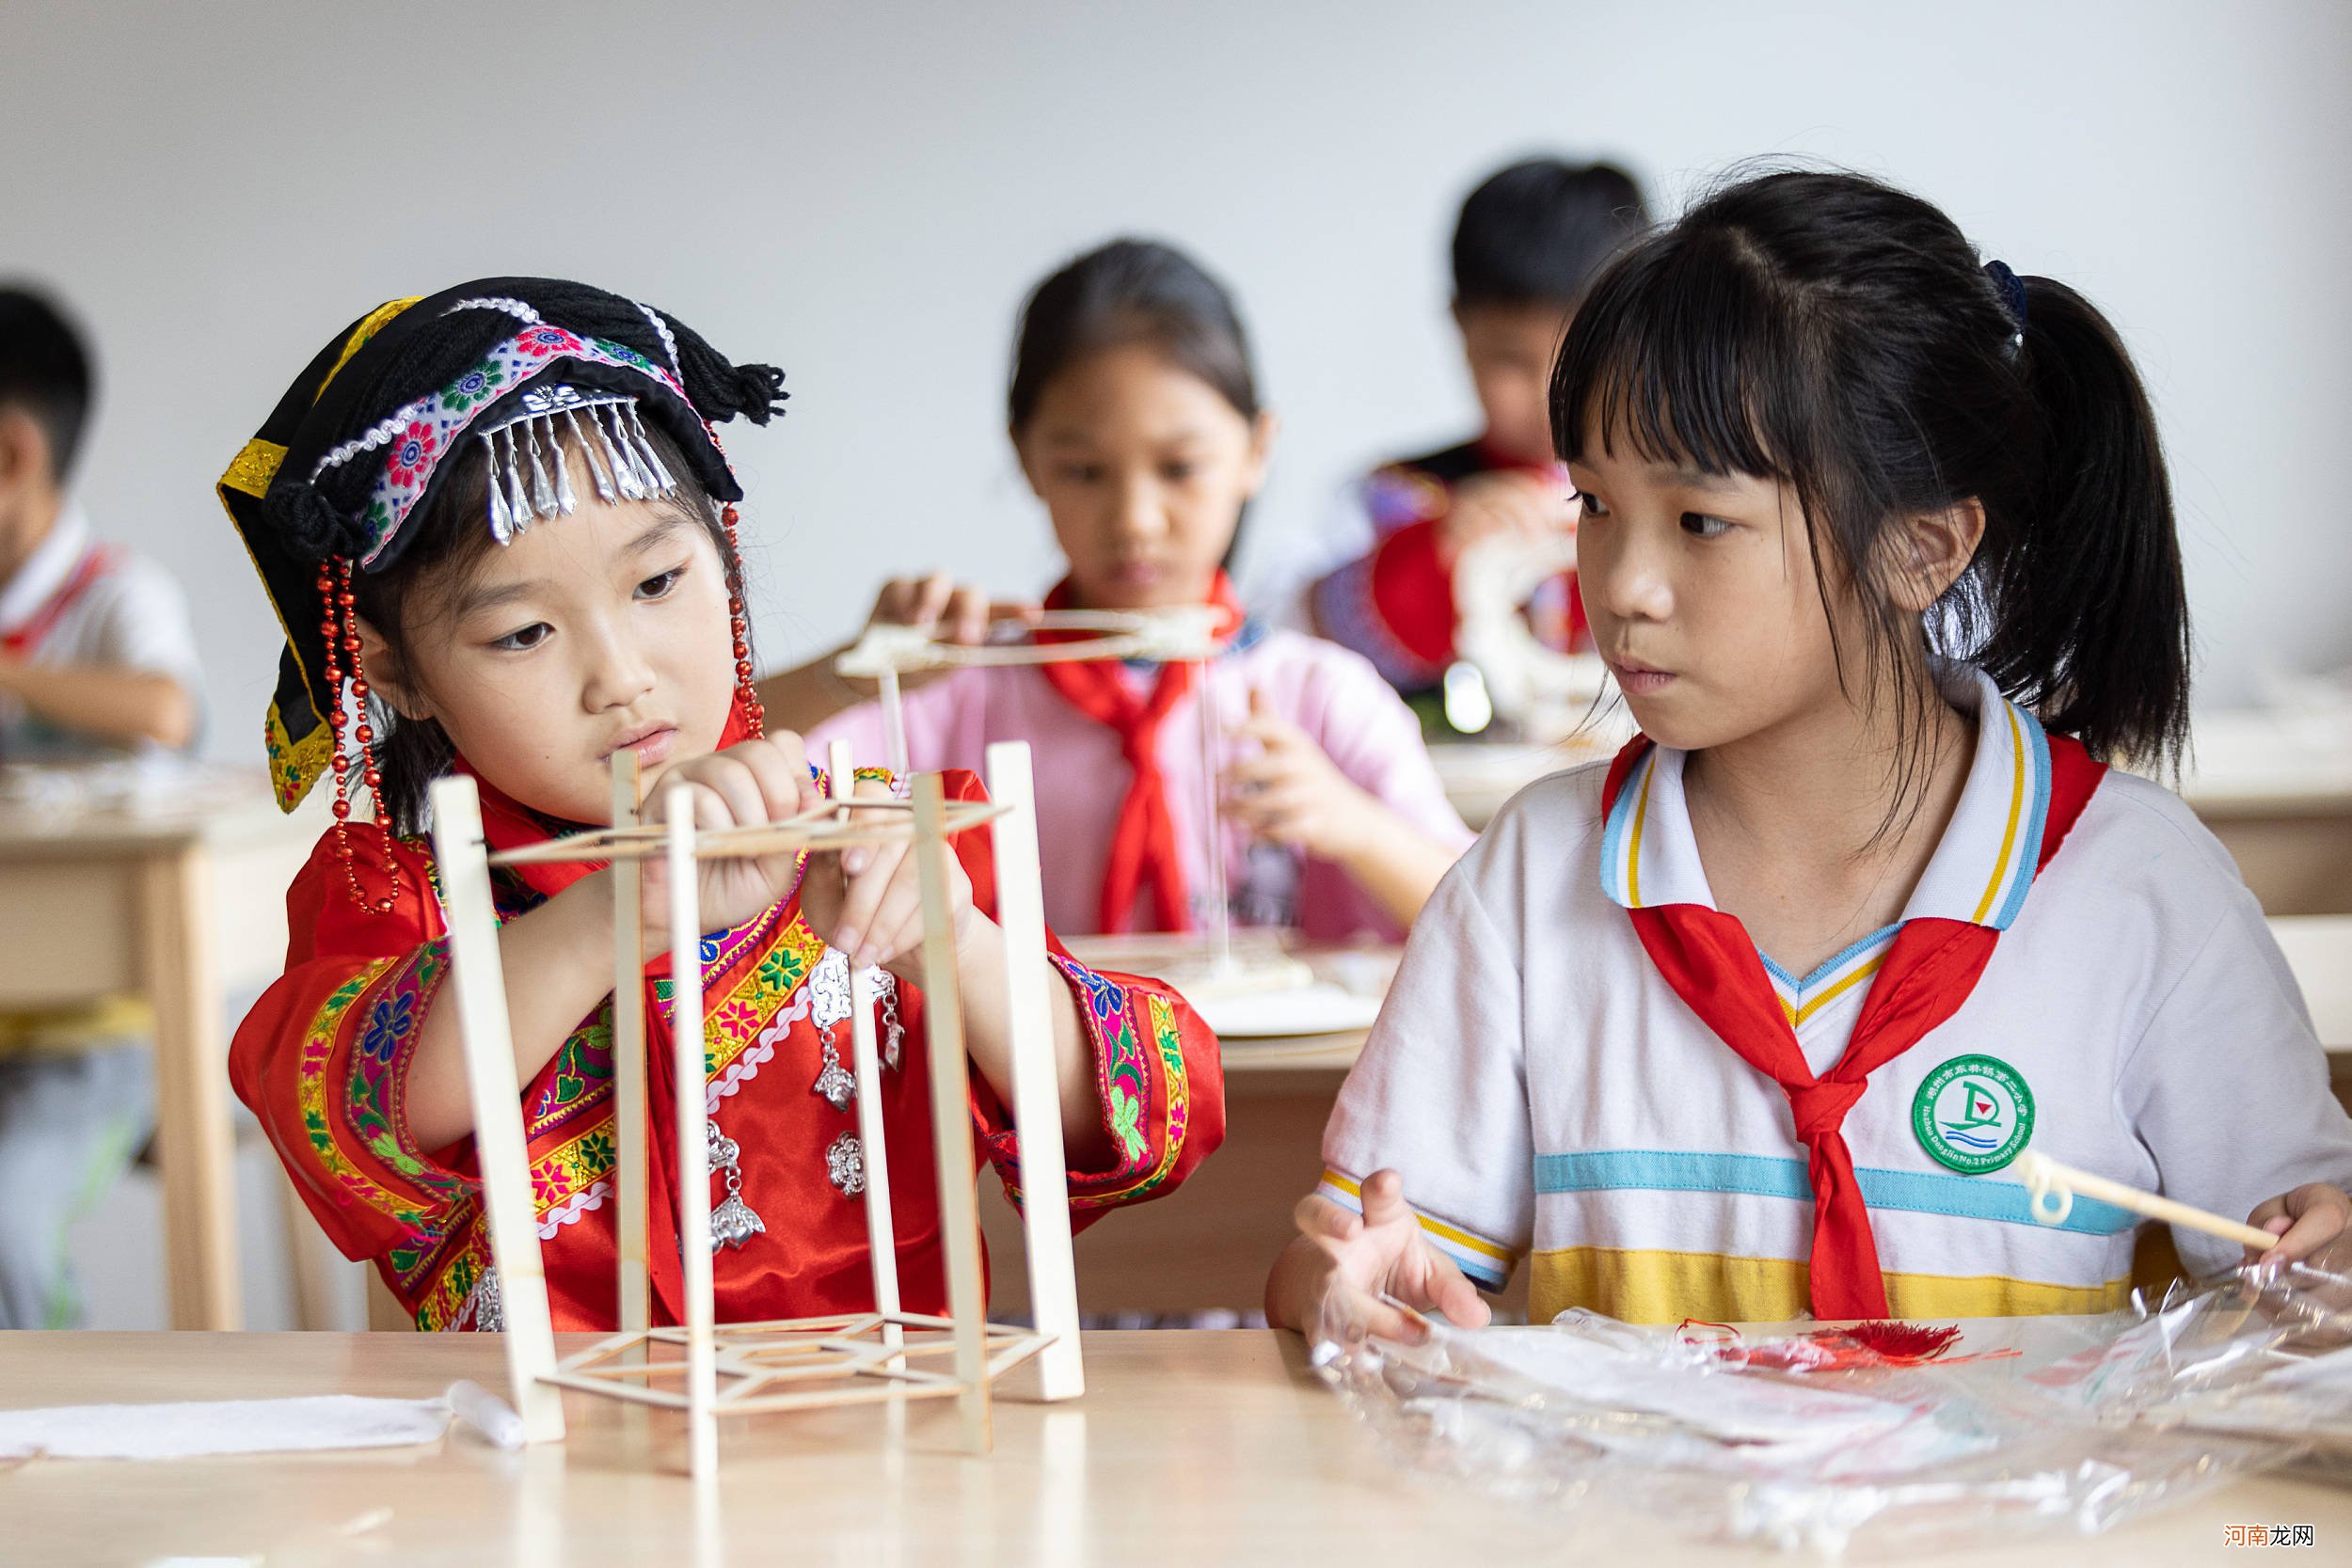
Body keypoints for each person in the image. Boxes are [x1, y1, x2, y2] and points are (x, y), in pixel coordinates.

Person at [1267, 171, 2352, 1338]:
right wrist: (1340, 1286)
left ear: (1920, 549)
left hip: (2013, 1526)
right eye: (1593, 504)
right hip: (1633, 1526)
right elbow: (1347, 1269)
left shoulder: (2135, 889)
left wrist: (2323, 1266)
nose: (1621, 587)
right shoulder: (1531, 881)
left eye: (1699, 521)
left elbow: (2300, 1269)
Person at [219, 279, 1222, 1330]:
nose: (621, 678)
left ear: (723, 559)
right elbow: (336, 1116)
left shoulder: (878, 841)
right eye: (523, 633)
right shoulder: (402, 900)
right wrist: (623, 907)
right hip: (544, 1479)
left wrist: (956, 944)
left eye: (656, 584)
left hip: (893, 1457)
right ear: (394, 671)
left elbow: (1154, 1119)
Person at [787, 240, 1472, 942]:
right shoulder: (955, 687)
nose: (1135, 520)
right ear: (1027, 457)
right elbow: (742, 774)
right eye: (1085, 471)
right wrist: (852, 675)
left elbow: (1480, 926)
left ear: (1256, 450)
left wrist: (1354, 826)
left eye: (1180, 467)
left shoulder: (1319, 698)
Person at [1253, 158, 1646, 717]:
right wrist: (1429, 560)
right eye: (1511, 360)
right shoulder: (1391, 498)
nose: (1551, 395)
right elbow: (1280, 638)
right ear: (1461, 328)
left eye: (1584, 359)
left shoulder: (1676, 498)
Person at [0, 286, 202, 1327]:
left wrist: (16, 677)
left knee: (4, 1227)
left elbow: (166, 710)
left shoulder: (116, 597)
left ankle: (37, 1432)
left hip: (99, 1028)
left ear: (11, 456)